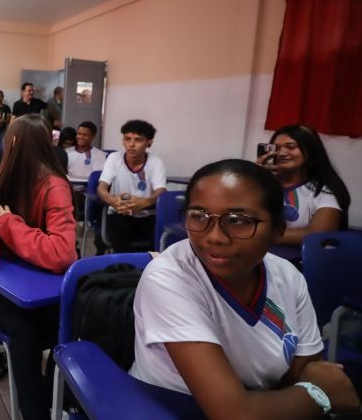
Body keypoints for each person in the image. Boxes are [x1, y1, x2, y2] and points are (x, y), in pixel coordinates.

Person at [131, 159, 360, 419]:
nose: (214, 236)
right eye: (198, 216)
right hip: (171, 409)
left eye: (238, 221)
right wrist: (320, 396)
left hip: (263, 402)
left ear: (278, 229)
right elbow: (233, 414)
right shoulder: (170, 277)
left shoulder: (287, 275)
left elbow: (305, 368)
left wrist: (312, 386)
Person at [0, 114, 77, 420]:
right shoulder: (0, 179)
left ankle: (56, 399)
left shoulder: (55, 185)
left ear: (11, 143)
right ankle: (36, 412)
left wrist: (11, 225)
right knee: (24, 336)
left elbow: (61, 253)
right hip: (8, 286)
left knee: (72, 326)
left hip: (47, 290)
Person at [256, 124, 350, 251]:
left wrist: (262, 234)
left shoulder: (324, 191)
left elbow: (318, 234)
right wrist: (253, 176)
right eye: (276, 148)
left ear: (310, 151)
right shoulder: (263, 184)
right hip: (261, 256)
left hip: (303, 263)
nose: (282, 153)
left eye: (291, 147)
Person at [97, 119, 166, 252]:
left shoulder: (156, 162)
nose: (131, 144)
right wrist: (112, 200)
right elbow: (101, 188)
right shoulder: (114, 158)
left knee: (156, 243)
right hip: (119, 214)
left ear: (149, 142)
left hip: (146, 215)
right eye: (127, 139)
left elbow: (161, 191)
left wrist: (145, 202)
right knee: (119, 233)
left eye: (138, 140)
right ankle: (122, 268)